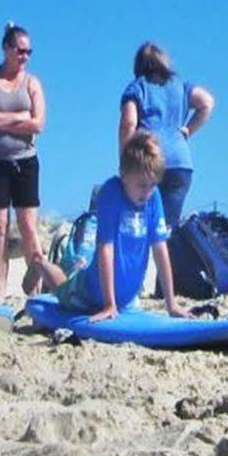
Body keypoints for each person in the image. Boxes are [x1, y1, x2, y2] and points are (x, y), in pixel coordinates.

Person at [51, 131, 189, 321]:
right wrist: (109, 304)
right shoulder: (111, 193)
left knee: (77, 269)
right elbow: (105, 248)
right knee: (62, 289)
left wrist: (171, 303)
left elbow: (160, 250)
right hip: (91, 292)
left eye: (152, 185)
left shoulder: (153, 196)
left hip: (126, 298)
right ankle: (40, 263)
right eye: (142, 185)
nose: (147, 192)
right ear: (124, 175)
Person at [0, 22, 61, 297]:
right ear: (6, 49)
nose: (25, 57)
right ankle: (1, 291)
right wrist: (16, 118)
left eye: (29, 52)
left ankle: (34, 290)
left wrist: (2, 122)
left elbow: (38, 124)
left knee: (28, 228)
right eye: (20, 50)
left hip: (25, 162)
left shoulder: (32, 83)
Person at [118, 42, 216, 233]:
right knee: (167, 228)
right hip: (180, 164)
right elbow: (207, 102)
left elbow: (128, 124)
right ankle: (168, 260)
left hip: (147, 161)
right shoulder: (180, 87)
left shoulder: (138, 88)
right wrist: (188, 129)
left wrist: (125, 159)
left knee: (139, 223)